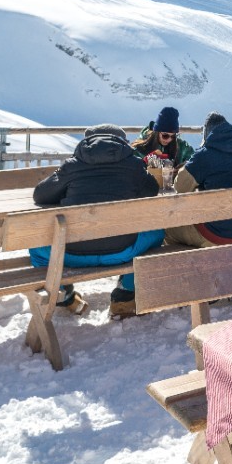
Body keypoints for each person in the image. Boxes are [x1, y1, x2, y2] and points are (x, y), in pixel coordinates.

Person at [31, 123, 163, 319]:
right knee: (158, 234)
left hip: (71, 254)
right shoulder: (134, 166)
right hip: (122, 251)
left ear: (87, 142)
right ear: (122, 143)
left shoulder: (71, 166)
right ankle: (126, 292)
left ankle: (62, 292)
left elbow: (40, 196)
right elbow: (152, 190)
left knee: (36, 247)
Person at [164, 112, 232, 248]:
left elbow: (180, 187)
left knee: (167, 229)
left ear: (207, 134)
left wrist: (191, 164)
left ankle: (182, 268)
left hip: (218, 234)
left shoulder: (205, 154)